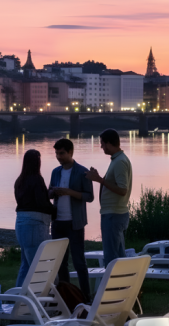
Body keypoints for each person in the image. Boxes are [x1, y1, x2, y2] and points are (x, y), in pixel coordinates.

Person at [48, 138, 95, 301]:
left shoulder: (82, 172)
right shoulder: (55, 172)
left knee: (79, 262)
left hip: (75, 223)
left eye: (61, 153)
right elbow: (49, 192)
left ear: (70, 152)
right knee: (60, 263)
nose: (58, 156)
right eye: (56, 153)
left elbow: (89, 197)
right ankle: (66, 297)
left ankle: (86, 297)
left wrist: (69, 192)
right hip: (57, 222)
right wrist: (53, 192)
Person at [85, 129, 133, 267]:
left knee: (111, 257)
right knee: (118, 255)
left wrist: (99, 179)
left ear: (109, 143)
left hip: (114, 214)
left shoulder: (119, 162)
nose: (101, 147)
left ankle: (114, 287)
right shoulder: (118, 160)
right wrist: (100, 178)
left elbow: (122, 190)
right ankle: (123, 285)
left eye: (102, 144)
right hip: (114, 213)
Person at [14, 149, 55, 287]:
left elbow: (26, 200)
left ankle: (17, 300)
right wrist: (55, 211)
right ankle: (44, 299)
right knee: (38, 266)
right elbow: (41, 202)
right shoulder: (37, 179)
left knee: (26, 265)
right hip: (35, 224)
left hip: (20, 222)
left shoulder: (19, 181)